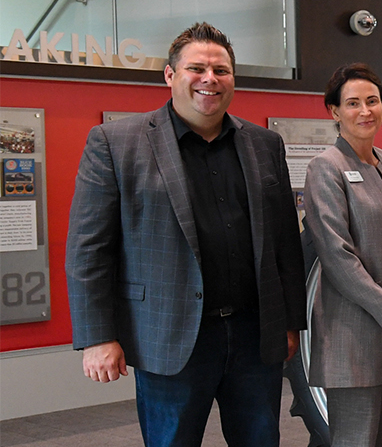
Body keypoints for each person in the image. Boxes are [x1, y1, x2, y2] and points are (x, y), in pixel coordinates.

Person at [66, 22, 305, 446]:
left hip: (254, 337)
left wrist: (288, 322)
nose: (210, 79)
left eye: (222, 70)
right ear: (170, 75)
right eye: (197, 68)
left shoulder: (266, 144)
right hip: (170, 337)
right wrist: (98, 336)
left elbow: (286, 242)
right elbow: (89, 250)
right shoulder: (116, 143)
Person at [303, 63, 382, 447]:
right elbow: (337, 254)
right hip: (354, 334)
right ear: (334, 111)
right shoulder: (326, 167)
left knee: (376, 438)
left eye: (372, 101)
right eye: (352, 103)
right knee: (355, 439)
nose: (365, 110)